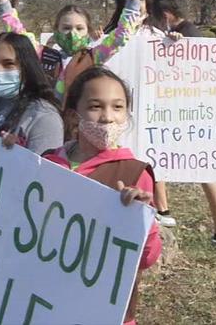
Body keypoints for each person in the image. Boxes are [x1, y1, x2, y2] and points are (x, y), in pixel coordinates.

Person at [43, 67, 160, 325]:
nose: (108, 118)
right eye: (96, 106)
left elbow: (147, 258)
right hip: (46, 301)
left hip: (103, 311)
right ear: (75, 115)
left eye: (118, 107)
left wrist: (142, 219)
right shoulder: (47, 162)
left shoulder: (133, 172)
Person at [151, 0, 216, 249]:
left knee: (156, 158)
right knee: (205, 171)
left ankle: (164, 213)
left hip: (182, 113)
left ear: (166, 17)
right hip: (197, 114)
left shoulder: (185, 37)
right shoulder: (193, 33)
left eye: (154, 21)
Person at [0, 0, 145, 101]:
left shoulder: (94, 57)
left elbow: (120, 36)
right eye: (66, 28)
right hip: (49, 122)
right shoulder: (44, 55)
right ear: (56, 30)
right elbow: (18, 32)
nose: (73, 34)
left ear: (88, 31)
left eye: (79, 28)